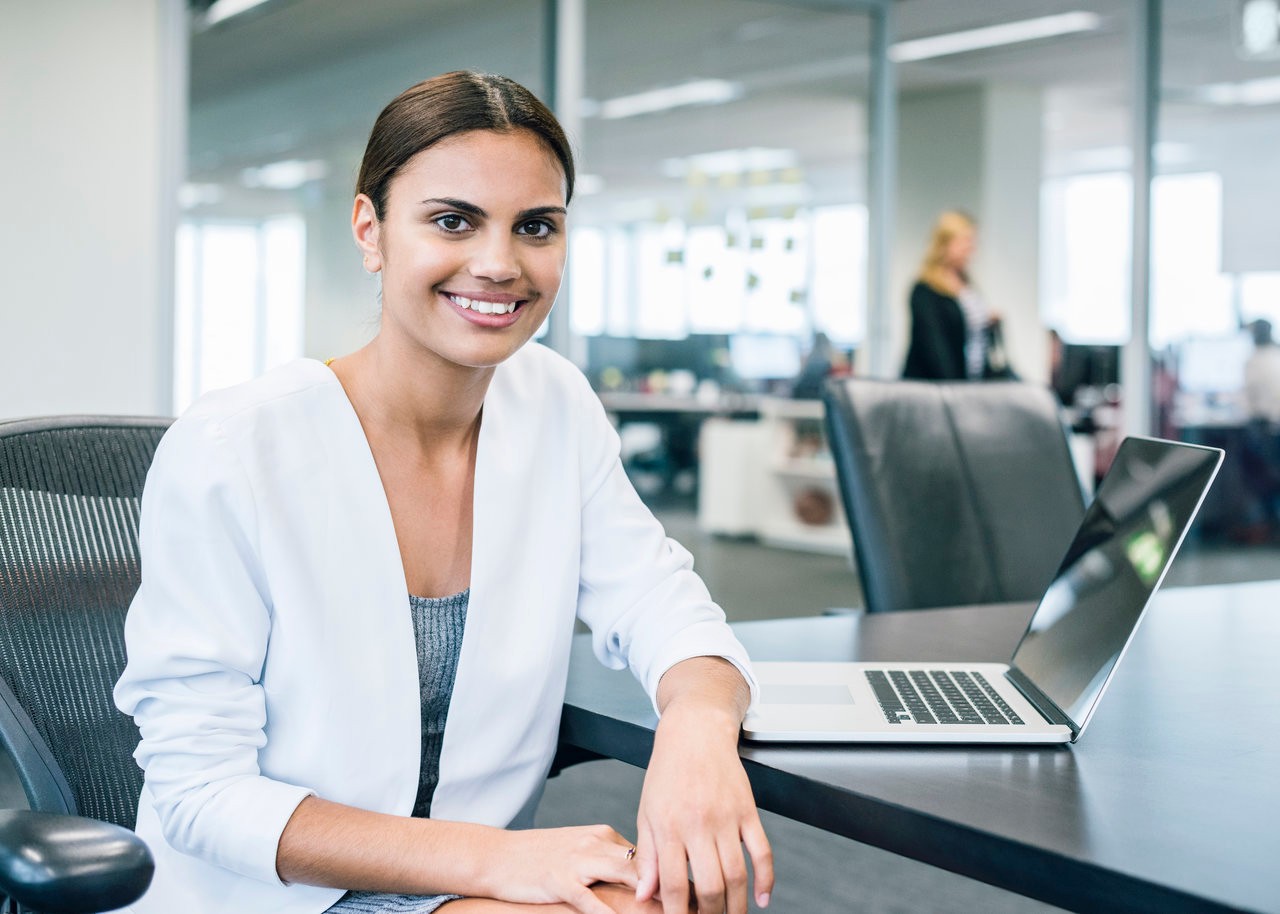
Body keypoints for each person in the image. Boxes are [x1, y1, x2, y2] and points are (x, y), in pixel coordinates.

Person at [114, 71, 772, 914]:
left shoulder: (555, 404)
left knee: (670, 902)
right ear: (371, 230)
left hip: (459, 881)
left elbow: (665, 606)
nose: (499, 264)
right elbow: (201, 794)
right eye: (453, 221)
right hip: (271, 892)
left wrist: (697, 729)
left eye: (535, 226)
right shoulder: (234, 446)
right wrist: (495, 859)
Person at [901, 210, 1011, 381]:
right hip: (936, 385)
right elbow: (934, 349)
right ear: (945, 243)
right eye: (965, 241)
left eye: (973, 242)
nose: (971, 248)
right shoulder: (925, 290)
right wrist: (955, 389)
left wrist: (987, 321)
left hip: (970, 381)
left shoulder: (968, 284)